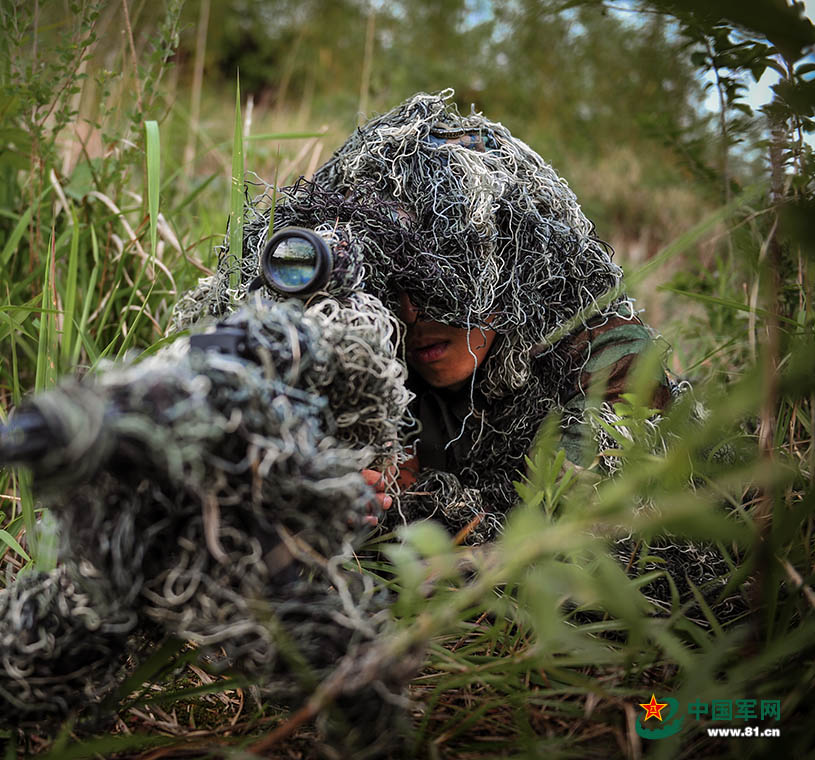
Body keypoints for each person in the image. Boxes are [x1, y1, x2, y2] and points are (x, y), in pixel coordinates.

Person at [174, 90, 740, 618]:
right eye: (396, 281)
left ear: (510, 269)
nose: (414, 312)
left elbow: (585, 552)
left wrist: (410, 506)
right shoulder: (367, 342)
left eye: (445, 278)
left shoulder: (599, 346)